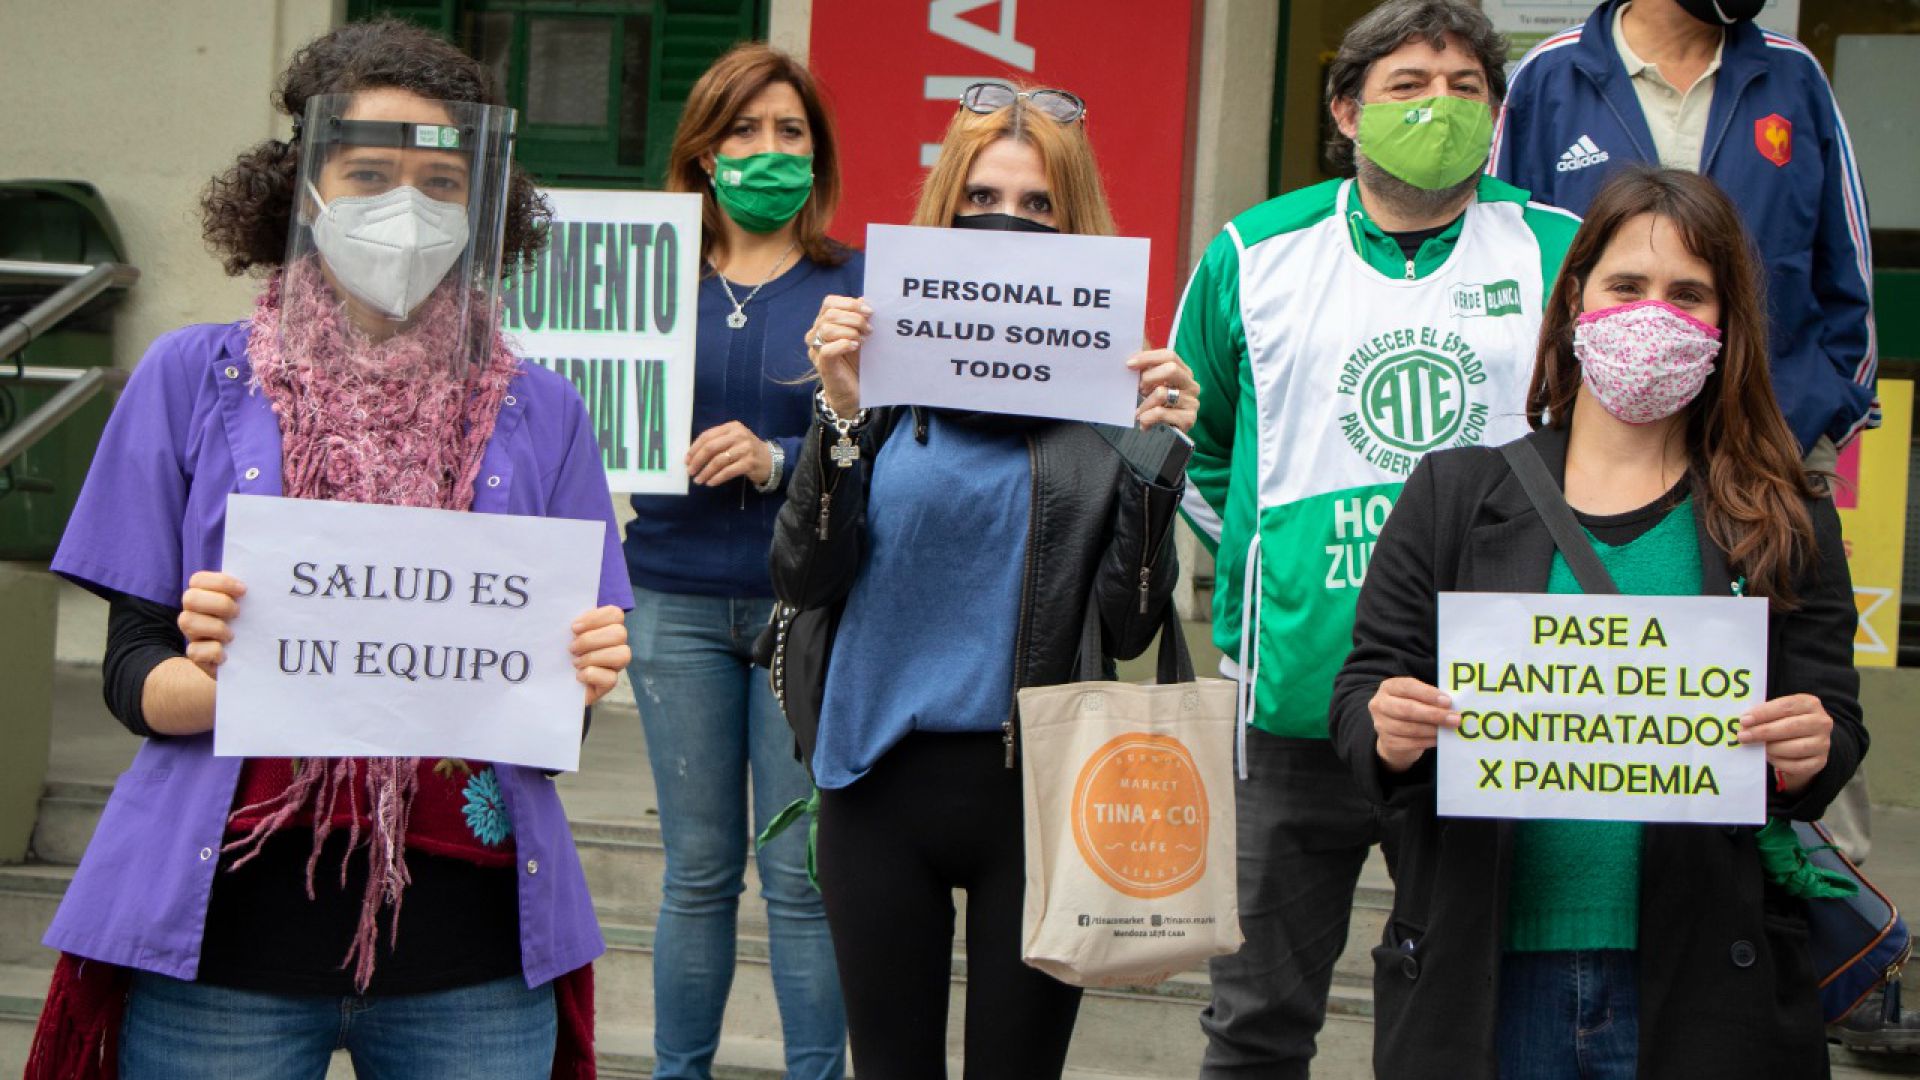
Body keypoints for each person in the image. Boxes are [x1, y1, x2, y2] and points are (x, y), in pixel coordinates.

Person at [24, 20, 632, 1079]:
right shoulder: (188, 377)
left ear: (483, 203)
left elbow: (553, 705)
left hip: (473, 955)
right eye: (368, 172)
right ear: (304, 185)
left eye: (443, 181)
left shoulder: (546, 412)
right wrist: (221, 674)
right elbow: (132, 669)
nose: (407, 209)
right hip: (224, 946)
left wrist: (580, 676)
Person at [1329, 166, 1865, 1079]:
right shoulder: (1454, 494)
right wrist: (1387, 728)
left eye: (1688, 294)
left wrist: (1815, 747)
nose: (1653, 313)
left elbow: (1833, 725)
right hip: (1491, 978)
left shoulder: (1785, 518)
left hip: (1700, 983)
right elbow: (1358, 704)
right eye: (1627, 285)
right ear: (1576, 299)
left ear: (1725, 325)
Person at [1488, 0, 1906, 1047]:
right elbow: (1511, 268)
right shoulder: (1550, 79)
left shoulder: (1793, 78)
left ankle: (1830, 951)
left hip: (1763, 461)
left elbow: (1845, 290)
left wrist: (1781, 443)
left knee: (1794, 714)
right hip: (1591, 457)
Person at [1172, 2, 1579, 1074]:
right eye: (1408, 86)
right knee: (1255, 1021)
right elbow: (1196, 443)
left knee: (1460, 1015)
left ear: (1496, 113)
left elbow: (1608, 458)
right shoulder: (1251, 254)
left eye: (1465, 89)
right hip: (1293, 703)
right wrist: (1269, 560)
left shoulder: (1560, 253)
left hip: (1487, 706)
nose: (1439, 108)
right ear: (1347, 109)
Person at [770, 82, 1199, 1079]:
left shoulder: (1105, 412)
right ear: (945, 212)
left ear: (1074, 225)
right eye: (981, 198)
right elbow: (800, 570)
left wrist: (1155, 460)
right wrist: (836, 416)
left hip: (1040, 796)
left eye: (1037, 204)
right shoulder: (874, 379)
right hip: (876, 783)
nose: (1005, 221)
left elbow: (1130, 627)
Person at [619, 43, 853, 1080]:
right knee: (698, 873)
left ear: (817, 153)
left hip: (805, 606)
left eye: (789, 131)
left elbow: (891, 441)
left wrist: (781, 457)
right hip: (666, 598)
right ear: (703, 153)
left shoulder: (858, 286)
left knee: (800, 874)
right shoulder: (639, 277)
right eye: (743, 130)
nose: (767, 149)